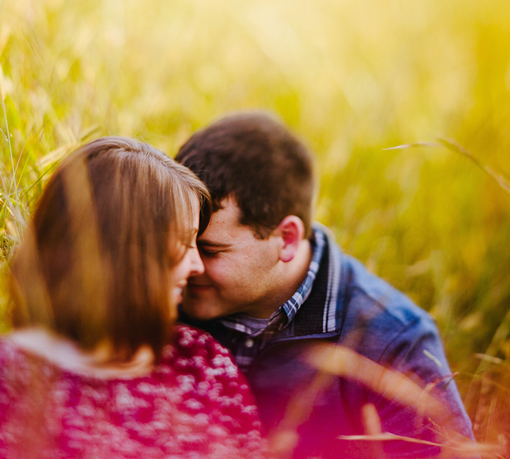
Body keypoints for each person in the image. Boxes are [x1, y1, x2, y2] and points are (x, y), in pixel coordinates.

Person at [0, 137, 266, 458]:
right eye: (184, 241)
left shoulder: (200, 360)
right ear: (127, 252)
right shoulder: (5, 379)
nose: (196, 265)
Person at [175, 111, 475, 459]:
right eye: (179, 241)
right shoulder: (163, 288)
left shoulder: (393, 338)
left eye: (209, 249)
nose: (188, 263)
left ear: (286, 239)